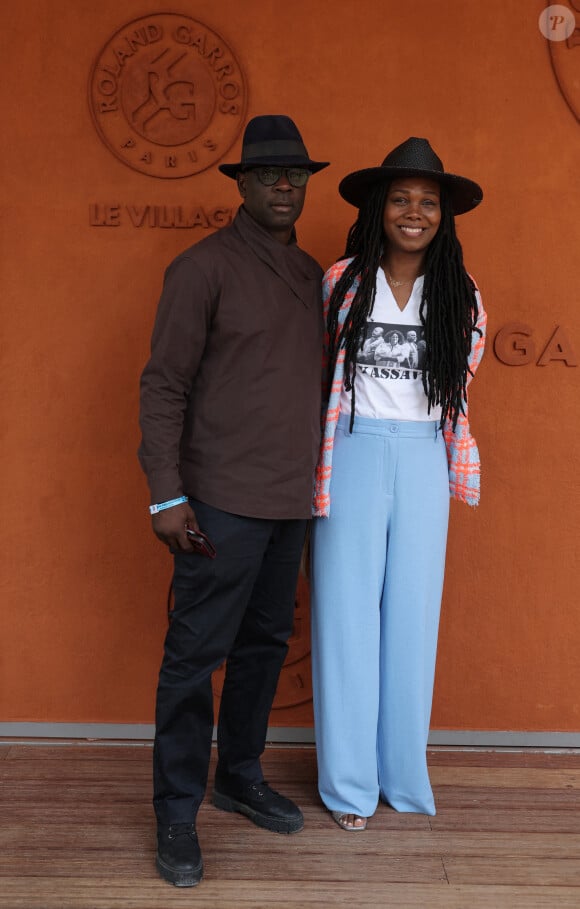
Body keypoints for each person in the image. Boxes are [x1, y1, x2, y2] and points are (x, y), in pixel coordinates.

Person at [138, 114, 329, 885]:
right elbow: (163, 384)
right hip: (218, 501)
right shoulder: (202, 267)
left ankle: (239, 773)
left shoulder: (317, 273)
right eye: (270, 175)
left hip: (292, 500)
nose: (285, 186)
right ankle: (177, 812)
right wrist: (165, 496)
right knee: (194, 657)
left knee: (262, 649)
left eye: (297, 176)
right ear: (242, 184)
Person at [310, 137, 486, 831]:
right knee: (345, 617)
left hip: (421, 461)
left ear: (444, 216)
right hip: (351, 450)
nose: (414, 212)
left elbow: (458, 389)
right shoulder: (342, 282)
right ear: (379, 208)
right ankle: (349, 787)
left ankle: (404, 778)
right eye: (401, 199)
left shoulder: (461, 295)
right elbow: (320, 373)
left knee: (412, 619)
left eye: (429, 202)